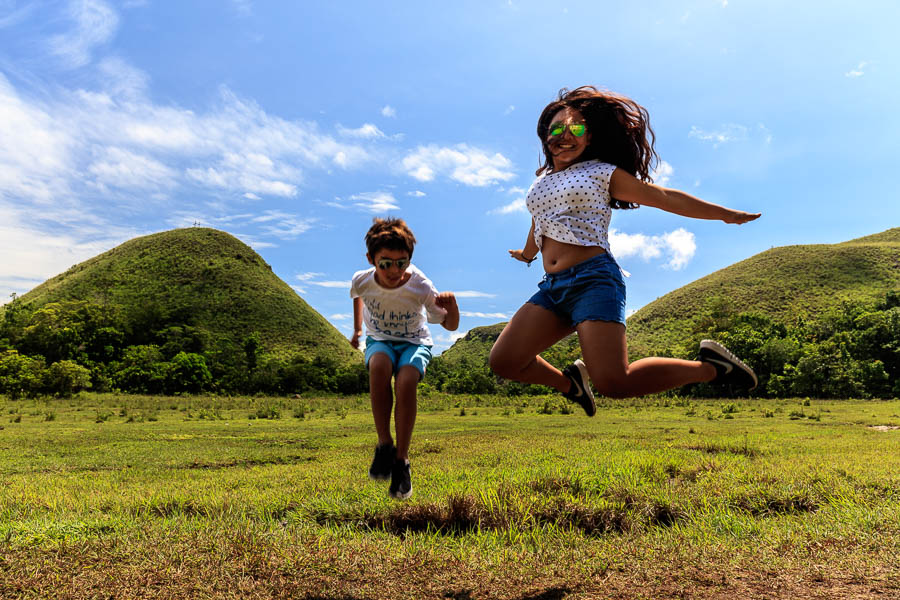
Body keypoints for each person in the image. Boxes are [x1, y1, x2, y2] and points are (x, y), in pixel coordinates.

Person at [489, 86, 760, 414]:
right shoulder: (542, 180)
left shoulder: (602, 173)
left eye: (575, 128)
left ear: (589, 137)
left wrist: (725, 214)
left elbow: (664, 197)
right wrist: (528, 252)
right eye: (556, 128)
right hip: (553, 287)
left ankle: (712, 367)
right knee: (504, 360)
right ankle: (570, 384)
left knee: (614, 383)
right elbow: (541, 219)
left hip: (593, 280)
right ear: (546, 136)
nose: (565, 134)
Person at [350, 217, 459, 499]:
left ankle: (401, 460)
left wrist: (453, 307)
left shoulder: (420, 285)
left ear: (410, 259)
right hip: (380, 341)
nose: (394, 270)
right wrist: (357, 329)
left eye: (402, 262)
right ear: (371, 259)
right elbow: (357, 295)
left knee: (407, 379)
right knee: (379, 365)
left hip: (415, 341)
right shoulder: (362, 280)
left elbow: (449, 325)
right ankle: (385, 445)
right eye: (385, 263)